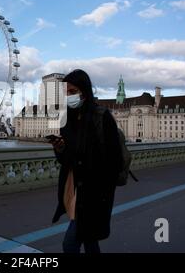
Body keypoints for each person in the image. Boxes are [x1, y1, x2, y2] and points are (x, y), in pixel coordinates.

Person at [50, 69, 123, 253]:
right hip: (74, 188)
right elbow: (66, 159)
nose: (68, 96)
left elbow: (115, 159)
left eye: (72, 92)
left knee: (70, 243)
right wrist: (60, 148)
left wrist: (104, 190)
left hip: (94, 193)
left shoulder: (101, 117)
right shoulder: (66, 119)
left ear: (84, 91)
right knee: (89, 240)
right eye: (66, 92)